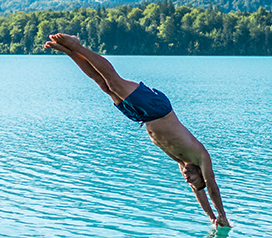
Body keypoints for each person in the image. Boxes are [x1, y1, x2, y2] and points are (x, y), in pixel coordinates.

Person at [45, 33, 231, 227]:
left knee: (103, 86)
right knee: (113, 81)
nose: (187, 179)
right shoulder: (201, 156)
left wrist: (211, 217)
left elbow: (198, 192)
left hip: (142, 117)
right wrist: (222, 214)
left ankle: (69, 51)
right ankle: (77, 45)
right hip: (158, 109)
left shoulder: (182, 163)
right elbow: (211, 189)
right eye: (192, 178)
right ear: (201, 174)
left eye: (189, 181)